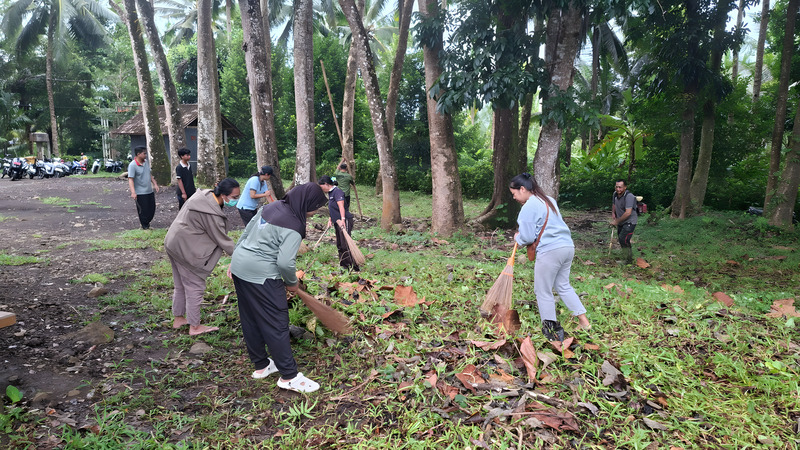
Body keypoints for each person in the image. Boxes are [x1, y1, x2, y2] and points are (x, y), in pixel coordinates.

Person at [229, 182, 327, 393]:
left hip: (240, 266)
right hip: (262, 275)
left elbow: (246, 233)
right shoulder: (294, 226)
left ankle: (262, 366)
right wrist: (293, 284)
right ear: (306, 204)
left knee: (250, 318)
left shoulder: (270, 207)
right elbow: (284, 263)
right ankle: (289, 377)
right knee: (276, 323)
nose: (315, 212)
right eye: (315, 207)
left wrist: (235, 259)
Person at [509, 172, 591, 341]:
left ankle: (551, 330)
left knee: (543, 290)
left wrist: (517, 237)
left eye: (514, 193)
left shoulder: (528, 206)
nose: (514, 198)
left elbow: (527, 237)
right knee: (563, 285)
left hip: (550, 251)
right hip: (567, 247)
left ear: (522, 189)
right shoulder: (549, 200)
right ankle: (584, 322)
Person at [165, 178, 241, 336]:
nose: (236, 200)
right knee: (195, 286)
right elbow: (221, 239)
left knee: (180, 284)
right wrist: (241, 255)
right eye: (234, 197)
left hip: (173, 242)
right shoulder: (210, 212)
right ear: (223, 195)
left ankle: (179, 319)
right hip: (185, 248)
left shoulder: (204, 196)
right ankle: (195, 327)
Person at [318, 176, 358, 271]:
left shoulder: (337, 192)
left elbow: (341, 207)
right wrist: (330, 219)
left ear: (327, 184)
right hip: (337, 221)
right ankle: (344, 265)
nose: (321, 189)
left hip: (344, 220)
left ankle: (353, 266)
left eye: (321, 186)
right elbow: (333, 208)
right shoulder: (330, 193)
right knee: (340, 244)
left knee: (345, 244)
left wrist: (343, 220)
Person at [127, 146, 160, 229]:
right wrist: (133, 192)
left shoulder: (146, 162)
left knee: (152, 209)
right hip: (140, 192)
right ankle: (145, 226)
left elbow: (149, 174)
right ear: (138, 154)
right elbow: (130, 179)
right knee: (143, 210)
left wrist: (155, 184)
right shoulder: (132, 165)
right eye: (144, 153)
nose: (146, 155)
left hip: (149, 190)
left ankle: (146, 224)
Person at [610, 179, 638, 264]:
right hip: (621, 221)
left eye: (620, 187)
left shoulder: (629, 196)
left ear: (625, 187)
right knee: (621, 239)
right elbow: (614, 204)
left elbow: (628, 213)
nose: (618, 189)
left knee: (624, 239)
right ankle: (626, 257)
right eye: (617, 187)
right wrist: (613, 213)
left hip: (630, 221)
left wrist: (617, 221)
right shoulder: (615, 194)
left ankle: (628, 261)